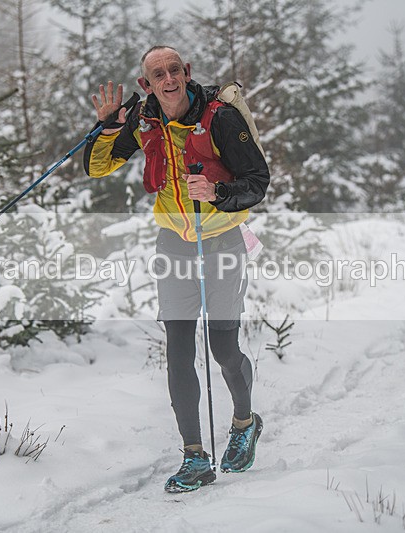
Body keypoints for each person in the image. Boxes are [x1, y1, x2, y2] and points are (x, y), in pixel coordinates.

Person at [83, 46, 270, 493]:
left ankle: (245, 421)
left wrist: (218, 191)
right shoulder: (143, 119)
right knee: (179, 351)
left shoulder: (221, 117)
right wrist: (107, 125)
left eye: (174, 70)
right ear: (146, 84)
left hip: (223, 239)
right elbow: (97, 167)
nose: (168, 79)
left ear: (186, 74)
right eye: (156, 74)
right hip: (174, 245)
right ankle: (194, 457)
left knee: (223, 349)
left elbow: (257, 182)